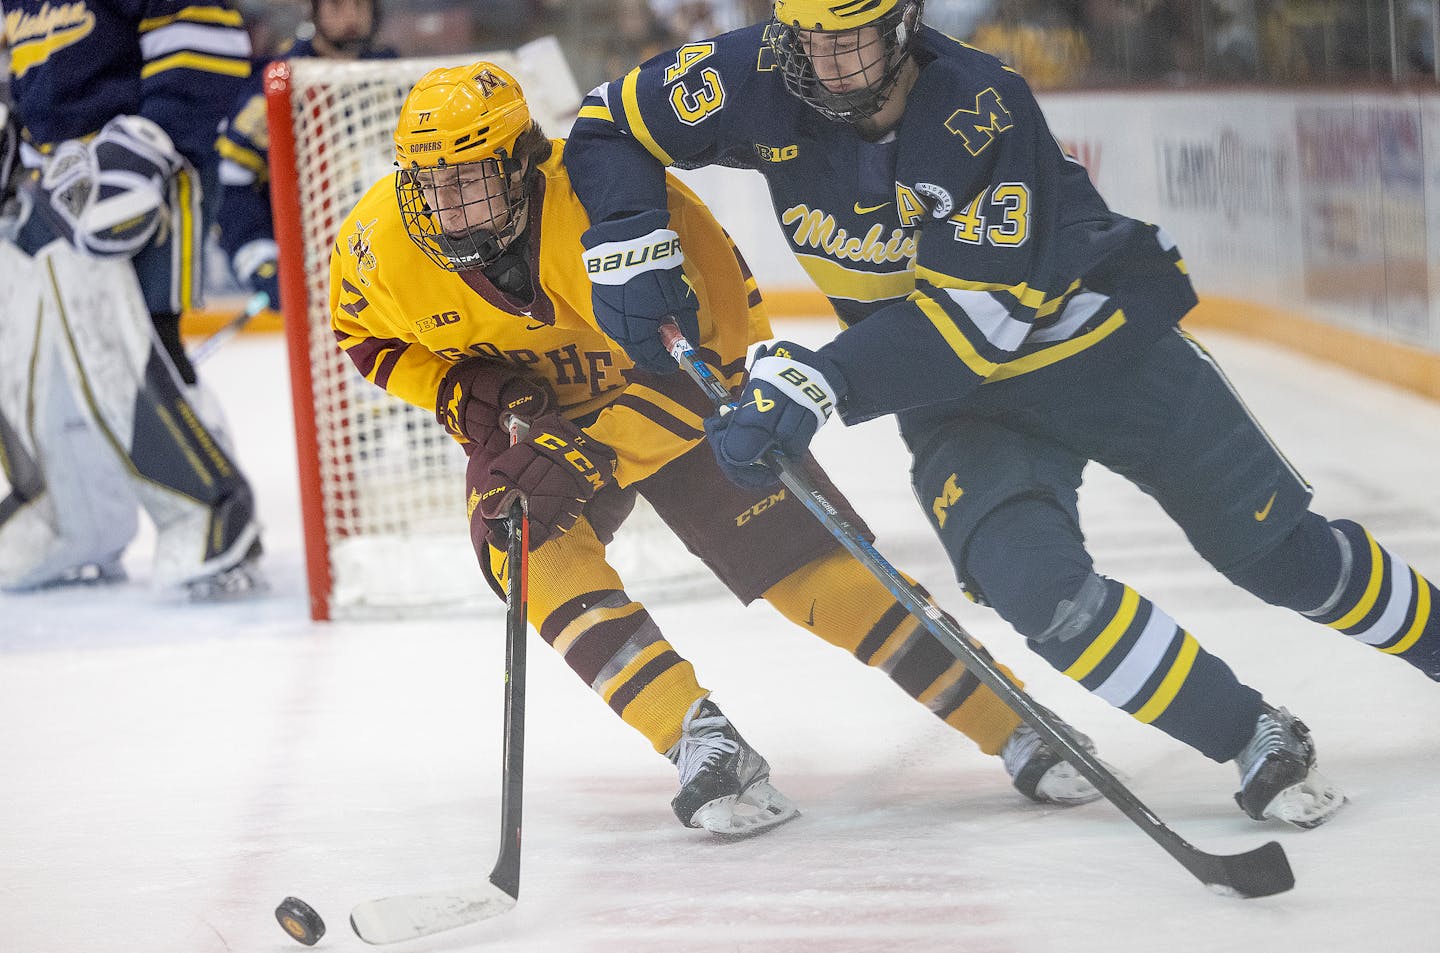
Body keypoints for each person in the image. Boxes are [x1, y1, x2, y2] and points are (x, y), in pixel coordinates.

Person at [562, 0, 1440, 829]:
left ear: (904, 25)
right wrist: (630, 239)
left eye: (852, 41)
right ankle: (1252, 734)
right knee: (1040, 595)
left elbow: (972, 324)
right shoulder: (756, 73)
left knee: (1284, 562)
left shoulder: (980, 106)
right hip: (955, 407)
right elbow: (608, 121)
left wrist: (817, 381)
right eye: (806, 43)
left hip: (1104, 358)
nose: (826, 65)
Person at [329, 60, 1116, 838]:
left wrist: (592, 454)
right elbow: (364, 338)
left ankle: (1011, 718)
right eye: (429, 184)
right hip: (546, 409)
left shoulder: (623, 209)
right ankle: (700, 740)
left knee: (812, 570)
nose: (445, 205)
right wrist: (460, 390)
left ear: (521, 164)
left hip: (668, 398)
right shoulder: (380, 243)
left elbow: (720, 369)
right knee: (520, 539)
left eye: (467, 180)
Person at [0, 0, 262, 597]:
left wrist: (149, 141)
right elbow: (40, 78)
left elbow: (205, 37)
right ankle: (68, 519)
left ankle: (213, 516)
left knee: (138, 346)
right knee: (34, 354)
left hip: (147, 171)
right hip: (53, 181)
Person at [216, 0, 396, 311]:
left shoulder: (392, 76)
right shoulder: (279, 85)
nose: (352, 16)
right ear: (313, 10)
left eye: (361, 4)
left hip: (383, 273)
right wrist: (262, 262)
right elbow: (233, 183)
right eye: (338, 5)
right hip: (310, 271)